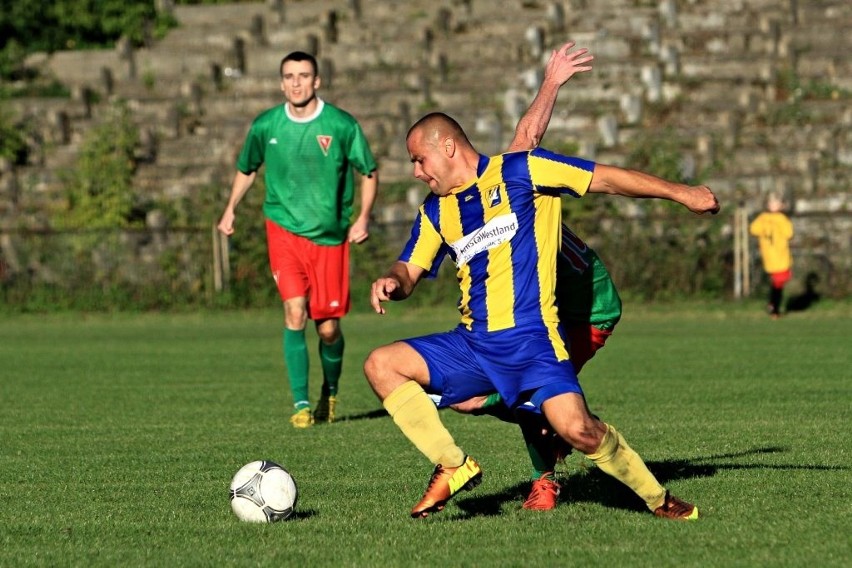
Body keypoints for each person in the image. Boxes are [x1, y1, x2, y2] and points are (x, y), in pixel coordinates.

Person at [364, 107, 719, 520]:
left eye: (418, 160)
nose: (416, 173)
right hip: (473, 343)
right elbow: (408, 269)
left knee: (579, 430)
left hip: (533, 340)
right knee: (381, 365)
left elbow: (605, 177)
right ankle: (453, 464)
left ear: (447, 147)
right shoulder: (435, 211)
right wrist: (391, 280)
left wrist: (683, 193)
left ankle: (660, 501)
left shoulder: (524, 171)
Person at [218, 51, 378, 428]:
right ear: (280, 82)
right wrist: (230, 209)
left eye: (303, 75)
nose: (296, 82)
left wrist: (363, 217)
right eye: (289, 76)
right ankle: (301, 404)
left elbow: (368, 172)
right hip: (284, 231)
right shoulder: (266, 126)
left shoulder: (340, 125)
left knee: (327, 328)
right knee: (294, 311)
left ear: (317, 81)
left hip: (330, 238)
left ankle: (330, 392)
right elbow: (246, 169)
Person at [749, 194, 793, 319]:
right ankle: (775, 308)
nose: (773, 205)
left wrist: (777, 224)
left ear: (781, 205)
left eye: (776, 203)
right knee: (778, 281)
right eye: (771, 203)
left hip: (781, 254)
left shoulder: (783, 219)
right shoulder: (763, 218)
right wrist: (766, 227)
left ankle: (773, 305)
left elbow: (789, 233)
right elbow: (753, 229)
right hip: (769, 255)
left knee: (780, 281)